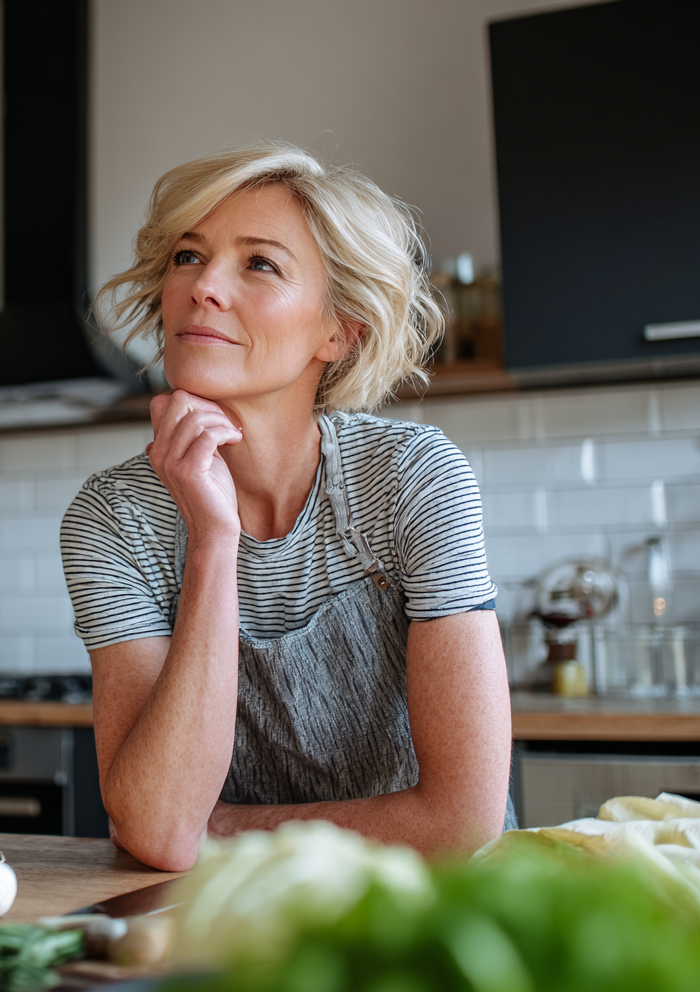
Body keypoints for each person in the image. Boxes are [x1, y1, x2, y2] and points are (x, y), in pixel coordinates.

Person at [62, 141, 514, 872]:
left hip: (437, 915)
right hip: (237, 921)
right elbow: (154, 829)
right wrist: (212, 543)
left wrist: (222, 829)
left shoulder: (411, 478)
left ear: (339, 331)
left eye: (259, 263)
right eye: (188, 256)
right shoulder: (115, 519)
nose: (204, 286)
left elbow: (463, 823)